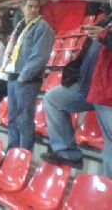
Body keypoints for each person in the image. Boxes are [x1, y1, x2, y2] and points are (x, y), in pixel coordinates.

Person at [41, 18, 112, 178]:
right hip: (87, 86)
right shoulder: (105, 21)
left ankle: (108, 194)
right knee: (53, 99)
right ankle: (68, 153)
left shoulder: (104, 30)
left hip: (107, 93)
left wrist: (105, 37)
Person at [0, 0, 55, 151]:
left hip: (27, 79)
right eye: (29, 6)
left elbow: (40, 56)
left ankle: (23, 155)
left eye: (36, 7)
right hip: (13, 76)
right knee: (12, 117)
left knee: (24, 119)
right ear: (22, 8)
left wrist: (24, 77)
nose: (33, 9)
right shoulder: (20, 26)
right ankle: (12, 151)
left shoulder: (43, 27)